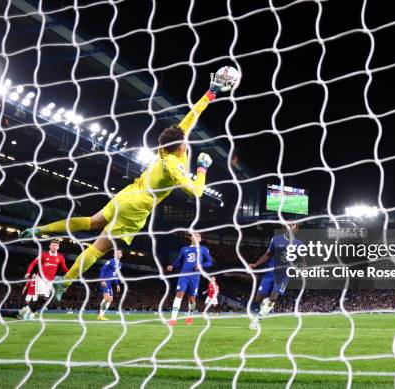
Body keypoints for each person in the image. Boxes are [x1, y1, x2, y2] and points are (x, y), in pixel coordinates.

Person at [19, 74, 235, 302]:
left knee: (92, 221)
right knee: (99, 247)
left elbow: (193, 115)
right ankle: (66, 281)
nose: (186, 140)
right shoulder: (174, 166)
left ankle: (42, 230)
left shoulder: (166, 148)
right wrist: (201, 169)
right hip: (136, 207)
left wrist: (211, 93)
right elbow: (196, 192)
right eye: (184, 141)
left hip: (128, 193)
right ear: (180, 146)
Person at [248, 222, 302, 329]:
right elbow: (268, 254)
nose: (290, 227)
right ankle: (265, 304)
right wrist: (256, 264)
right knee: (258, 299)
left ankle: (257, 320)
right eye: (288, 225)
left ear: (296, 228)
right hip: (269, 272)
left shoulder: (299, 244)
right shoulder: (276, 239)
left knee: (273, 297)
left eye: (293, 225)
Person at [167, 233, 213, 326]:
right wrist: (172, 266)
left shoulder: (204, 249)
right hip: (184, 275)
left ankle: (190, 315)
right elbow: (179, 261)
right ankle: (173, 319)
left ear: (200, 239)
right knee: (179, 293)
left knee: (192, 299)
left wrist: (201, 265)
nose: (196, 236)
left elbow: (209, 262)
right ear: (191, 238)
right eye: (194, 235)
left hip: (195, 277)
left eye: (198, 236)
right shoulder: (184, 249)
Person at [20, 240, 69, 320]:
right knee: (42, 297)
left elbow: (64, 268)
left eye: (56, 245)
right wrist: (28, 273)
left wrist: (72, 274)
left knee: (44, 299)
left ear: (58, 247)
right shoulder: (43, 255)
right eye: (53, 245)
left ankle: (27, 310)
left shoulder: (60, 257)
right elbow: (33, 263)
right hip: (41, 279)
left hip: (50, 281)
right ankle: (30, 312)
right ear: (50, 246)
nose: (54, 247)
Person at [97, 249, 123, 321]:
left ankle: (101, 315)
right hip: (105, 281)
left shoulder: (120, 265)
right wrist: (102, 280)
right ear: (114, 255)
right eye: (117, 253)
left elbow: (115, 275)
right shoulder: (110, 261)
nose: (118, 254)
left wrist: (117, 284)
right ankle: (100, 315)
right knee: (107, 298)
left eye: (119, 253)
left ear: (121, 255)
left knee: (110, 299)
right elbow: (102, 270)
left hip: (110, 283)